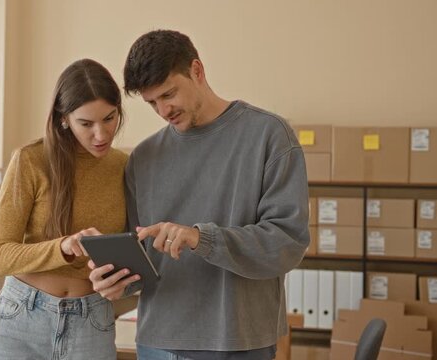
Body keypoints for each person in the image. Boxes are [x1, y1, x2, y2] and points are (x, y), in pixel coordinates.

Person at [88, 30, 310, 360]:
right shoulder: (144, 157)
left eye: (169, 94)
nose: (163, 111)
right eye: (152, 103)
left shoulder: (269, 135)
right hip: (157, 342)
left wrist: (199, 238)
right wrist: (117, 281)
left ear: (197, 71)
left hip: (237, 342)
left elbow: (287, 243)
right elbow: (142, 257)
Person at [0, 58, 129, 360]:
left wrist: (121, 285)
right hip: (22, 317)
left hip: (92, 321)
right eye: (86, 124)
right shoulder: (30, 160)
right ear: (64, 119)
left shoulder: (125, 167)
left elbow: (131, 253)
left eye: (109, 118)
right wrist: (62, 246)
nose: (101, 134)